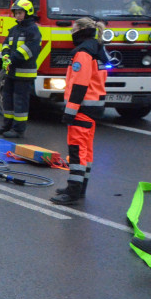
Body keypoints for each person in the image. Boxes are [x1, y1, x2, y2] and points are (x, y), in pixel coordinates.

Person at [50, 17, 108, 205]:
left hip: (82, 108)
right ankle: (80, 187)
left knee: (76, 150)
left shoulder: (83, 52)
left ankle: (73, 192)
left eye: (74, 28)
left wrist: (70, 111)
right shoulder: (97, 47)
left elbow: (80, 85)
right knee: (86, 150)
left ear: (82, 29)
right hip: (94, 107)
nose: (71, 31)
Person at [0, 0, 42, 139]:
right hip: (11, 72)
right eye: (16, 13)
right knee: (7, 99)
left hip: (24, 73)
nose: (17, 15)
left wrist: (11, 59)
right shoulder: (14, 29)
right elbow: (6, 44)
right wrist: (6, 55)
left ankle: (18, 130)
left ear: (27, 13)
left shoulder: (33, 30)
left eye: (20, 13)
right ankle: (7, 125)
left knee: (20, 102)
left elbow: (29, 49)